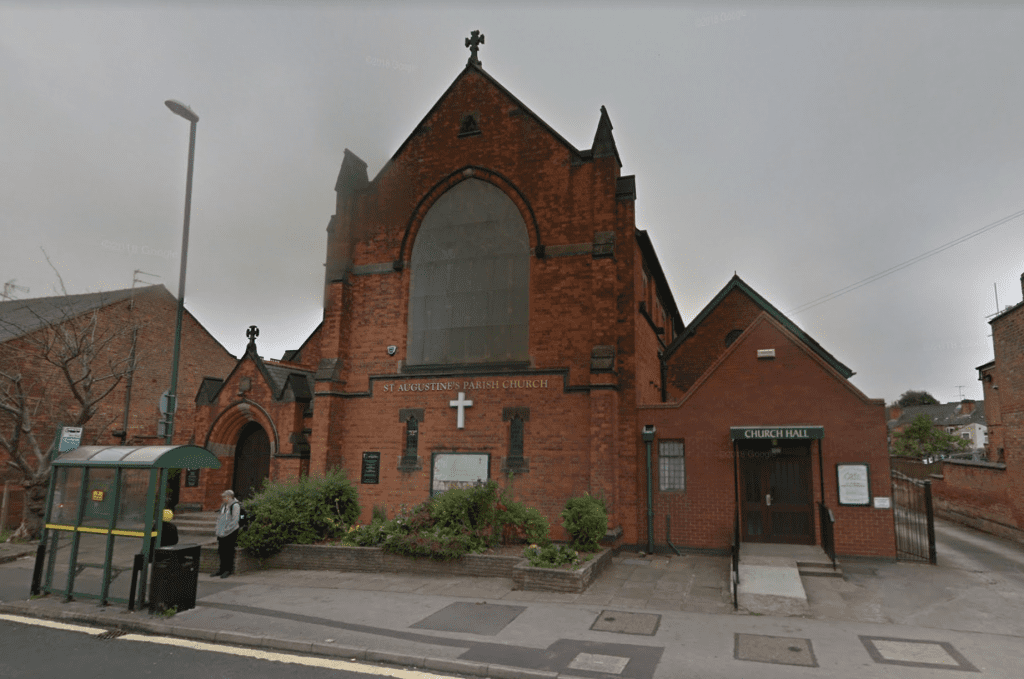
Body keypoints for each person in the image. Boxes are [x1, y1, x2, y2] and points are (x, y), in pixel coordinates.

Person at [213, 490, 240, 578]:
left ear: (230, 497)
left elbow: (235, 520)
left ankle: (228, 570)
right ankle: (221, 569)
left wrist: (226, 530)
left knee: (228, 551)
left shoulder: (235, 505)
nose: (223, 499)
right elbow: (220, 518)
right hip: (221, 532)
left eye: (225, 497)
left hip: (230, 532)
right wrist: (218, 528)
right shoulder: (223, 505)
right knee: (221, 551)